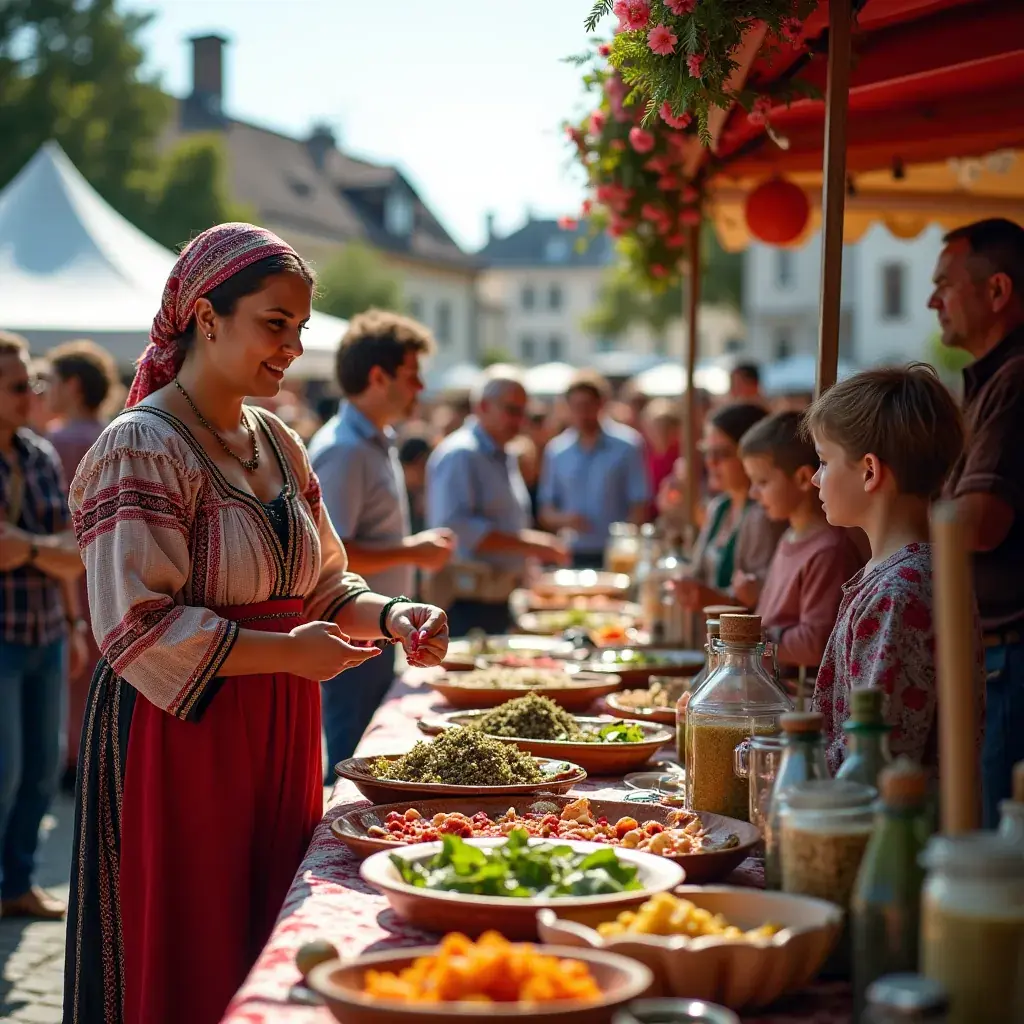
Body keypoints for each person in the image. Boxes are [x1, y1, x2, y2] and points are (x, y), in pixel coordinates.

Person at [63, 223, 449, 1024]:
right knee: (192, 937)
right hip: (181, 732)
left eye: (300, 330)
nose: (292, 348)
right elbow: (136, 629)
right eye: (275, 325)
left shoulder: (277, 439)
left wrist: (391, 614)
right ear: (206, 316)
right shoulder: (142, 446)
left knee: (265, 923)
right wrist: (286, 653)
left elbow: (321, 582)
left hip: (277, 709)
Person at [805, 364, 984, 775]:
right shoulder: (892, 574)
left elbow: (873, 758)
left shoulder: (899, 592)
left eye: (824, 461)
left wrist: (778, 756)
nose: (816, 479)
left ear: (869, 470)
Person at [306, 309, 455, 771]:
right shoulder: (345, 448)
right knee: (353, 764)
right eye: (412, 376)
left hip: (378, 631)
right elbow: (331, 558)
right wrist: (413, 550)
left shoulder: (371, 440)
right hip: (355, 636)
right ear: (377, 376)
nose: (420, 388)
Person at [931, 218, 1024, 826]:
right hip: (995, 652)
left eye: (945, 284)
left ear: (996, 292)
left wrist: (895, 514)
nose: (931, 300)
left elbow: (982, 521)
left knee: (988, 855)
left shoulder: (1017, 377)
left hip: (1011, 654)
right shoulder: (993, 378)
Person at [0, 332, 86, 922]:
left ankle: (17, 883)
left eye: (31, 382)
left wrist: (76, 622)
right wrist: (45, 549)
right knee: (4, 770)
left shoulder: (38, 453)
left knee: (40, 767)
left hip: (47, 632)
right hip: (3, 639)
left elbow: (74, 551)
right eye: (15, 386)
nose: (30, 394)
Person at [426, 366, 568, 636]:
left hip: (493, 598)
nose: (519, 421)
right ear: (482, 407)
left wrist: (529, 550)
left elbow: (503, 522)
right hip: (465, 602)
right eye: (512, 411)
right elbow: (458, 530)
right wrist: (531, 544)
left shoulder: (501, 453)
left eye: (522, 412)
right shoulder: (462, 454)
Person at [45, 339, 122, 790]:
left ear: (72, 386)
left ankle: (73, 759)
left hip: (67, 583)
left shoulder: (52, 443)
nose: (43, 390)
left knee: (71, 685)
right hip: (113, 584)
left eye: (50, 381)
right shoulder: (117, 436)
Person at [739, 411, 864, 672]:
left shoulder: (827, 551)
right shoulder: (789, 536)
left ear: (802, 479)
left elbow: (814, 643)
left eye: (762, 482)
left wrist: (750, 641)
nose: (753, 493)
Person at [673, 403, 785, 611]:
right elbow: (697, 573)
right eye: (707, 451)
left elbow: (763, 603)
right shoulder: (720, 507)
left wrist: (718, 601)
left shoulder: (763, 515)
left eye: (723, 453)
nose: (711, 462)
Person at [537, 371, 650, 570]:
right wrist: (566, 520)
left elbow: (639, 505)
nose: (582, 414)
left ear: (601, 404)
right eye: (576, 406)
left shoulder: (628, 446)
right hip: (572, 554)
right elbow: (546, 511)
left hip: (615, 556)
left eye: (587, 406)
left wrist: (623, 544)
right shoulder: (556, 451)